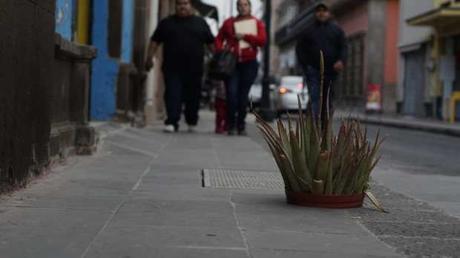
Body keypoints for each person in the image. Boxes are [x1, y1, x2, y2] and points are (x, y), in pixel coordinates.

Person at [145, 0, 215, 133]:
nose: (182, 6)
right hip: (172, 67)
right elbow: (155, 41)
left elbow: (211, 43)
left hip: (195, 69)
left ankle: (191, 121)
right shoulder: (167, 23)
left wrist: (216, 59)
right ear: (176, 6)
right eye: (179, 4)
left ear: (191, 6)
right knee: (172, 94)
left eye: (185, 3)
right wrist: (149, 57)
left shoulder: (200, 23)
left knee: (193, 96)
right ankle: (172, 121)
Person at [215, 0, 266, 136]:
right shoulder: (229, 22)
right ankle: (230, 124)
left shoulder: (257, 23)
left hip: (249, 63)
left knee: (243, 96)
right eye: (240, 5)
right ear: (237, 7)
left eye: (245, 5)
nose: (242, 7)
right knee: (231, 94)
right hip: (232, 63)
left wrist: (245, 36)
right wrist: (221, 50)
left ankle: (241, 125)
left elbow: (262, 40)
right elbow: (218, 38)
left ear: (250, 7)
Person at [296, 2, 346, 122]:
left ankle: (324, 126)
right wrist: (305, 66)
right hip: (313, 70)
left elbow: (343, 47)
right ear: (315, 13)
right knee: (315, 97)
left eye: (324, 11)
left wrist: (341, 61)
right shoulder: (308, 30)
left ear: (328, 13)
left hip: (330, 71)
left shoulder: (336, 30)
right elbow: (300, 49)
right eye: (319, 11)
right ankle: (313, 125)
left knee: (327, 99)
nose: (321, 13)